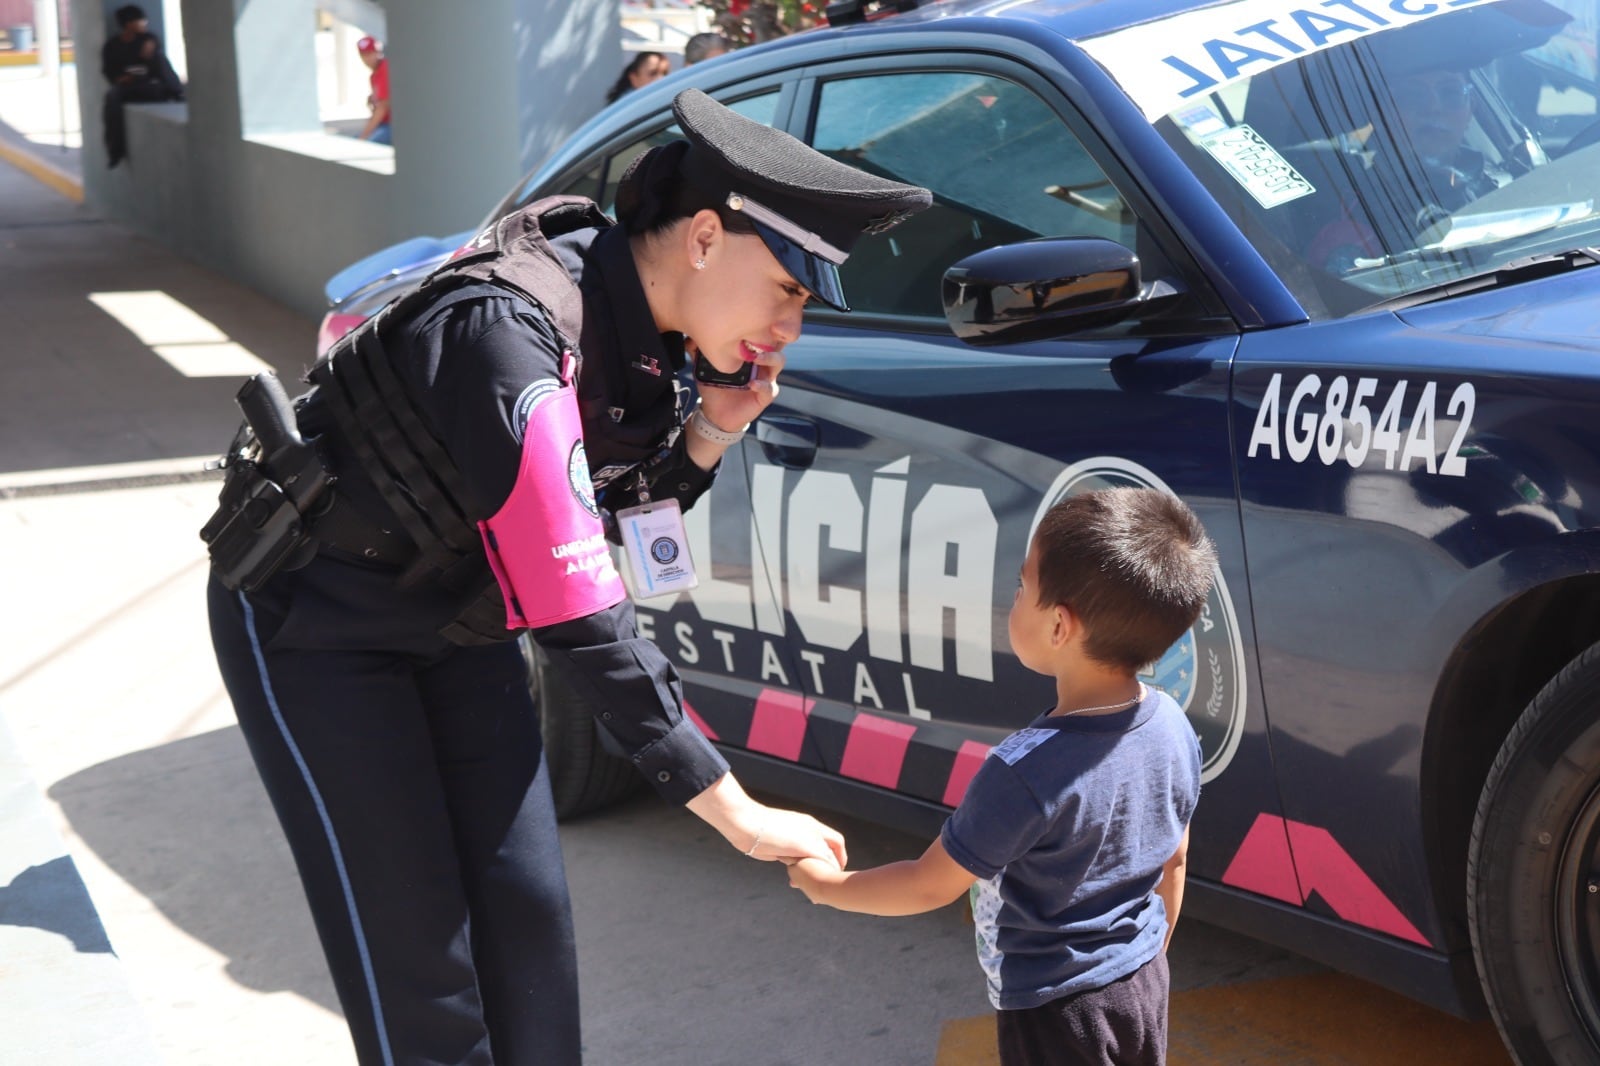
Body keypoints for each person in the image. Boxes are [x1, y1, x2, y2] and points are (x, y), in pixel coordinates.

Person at [200, 87, 931, 1066]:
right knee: (419, 954)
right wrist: (729, 805)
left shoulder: (639, 333)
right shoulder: (510, 335)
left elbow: (616, 515)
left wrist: (712, 430)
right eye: (790, 291)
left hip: (459, 621)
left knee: (526, 914)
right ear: (706, 238)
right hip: (317, 622)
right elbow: (578, 603)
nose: (791, 327)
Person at [789, 487, 1213, 1066]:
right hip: (1143, 980)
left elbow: (927, 883)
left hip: (1057, 1012)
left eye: (1022, 587)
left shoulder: (1023, 771)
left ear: (1060, 625)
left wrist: (827, 887)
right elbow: (1176, 857)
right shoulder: (1171, 724)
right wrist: (1148, 952)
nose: (1012, 599)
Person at [100, 4, 183, 168]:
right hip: (127, 88)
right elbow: (108, 71)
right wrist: (121, 79)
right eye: (140, 20)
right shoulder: (112, 46)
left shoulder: (148, 39)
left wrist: (151, 49)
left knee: (159, 59)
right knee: (111, 99)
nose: (144, 23)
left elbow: (158, 62)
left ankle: (177, 93)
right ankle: (115, 151)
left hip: (150, 87)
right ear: (129, 23)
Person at [356, 35, 391, 145]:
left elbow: (382, 108)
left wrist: (363, 137)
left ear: (377, 52)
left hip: (393, 125)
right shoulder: (373, 76)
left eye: (370, 54)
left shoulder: (385, 69)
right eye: (363, 55)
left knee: (367, 144)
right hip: (384, 124)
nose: (367, 59)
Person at [605, 50, 670, 105]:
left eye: (665, 73)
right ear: (634, 78)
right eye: (653, 73)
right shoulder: (627, 106)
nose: (661, 79)